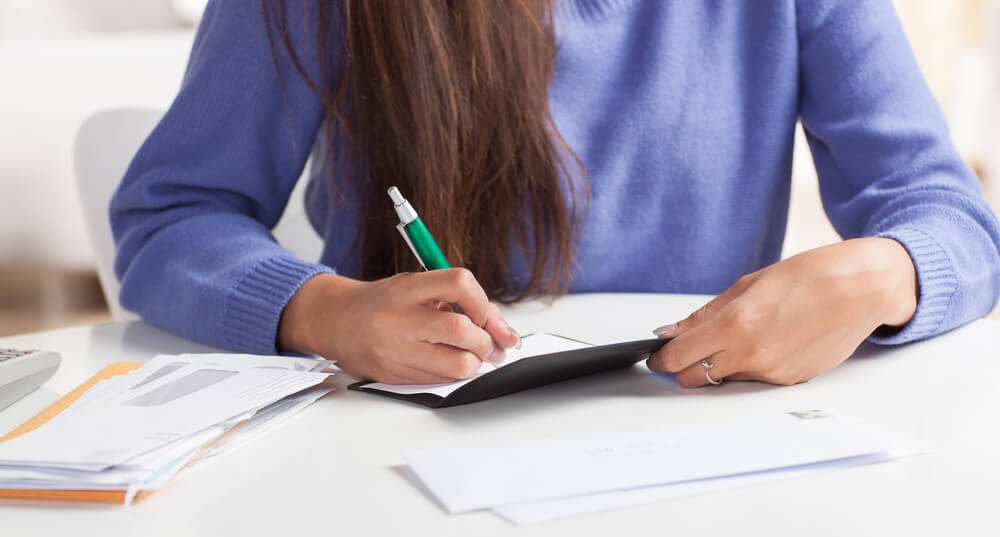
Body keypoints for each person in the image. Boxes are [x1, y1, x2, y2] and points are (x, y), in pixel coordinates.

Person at [111, 0, 1000, 388]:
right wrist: (323, 312)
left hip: (701, 437)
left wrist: (883, 274)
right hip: (393, 454)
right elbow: (169, 219)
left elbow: (947, 212)